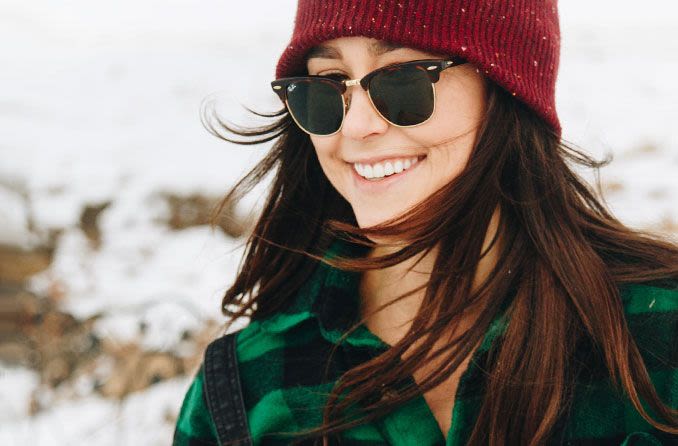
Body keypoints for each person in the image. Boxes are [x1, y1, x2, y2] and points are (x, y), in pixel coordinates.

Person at [173, 1, 678, 445]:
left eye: (401, 79)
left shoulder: (657, 332)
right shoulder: (244, 390)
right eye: (326, 86)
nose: (356, 126)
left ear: (507, 89)